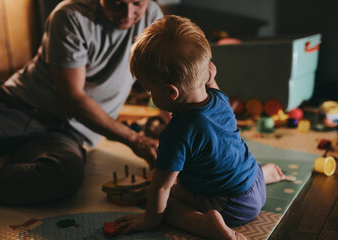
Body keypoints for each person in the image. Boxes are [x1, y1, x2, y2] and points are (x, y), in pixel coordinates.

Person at [114, 15, 286, 240]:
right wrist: (209, 78)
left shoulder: (176, 134)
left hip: (232, 207)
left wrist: (148, 221)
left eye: (149, 89)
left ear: (170, 92)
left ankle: (207, 226)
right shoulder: (219, 98)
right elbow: (210, 85)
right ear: (207, 73)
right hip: (254, 181)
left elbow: (162, 188)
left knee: (165, 203)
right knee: (225, 161)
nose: (148, 94)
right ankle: (267, 174)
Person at [0, 0, 163, 205]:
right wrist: (136, 139)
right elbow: (73, 99)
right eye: (117, 3)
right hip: (17, 106)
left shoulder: (153, 17)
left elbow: (163, 83)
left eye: (137, 3)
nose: (128, 14)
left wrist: (180, 130)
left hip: (66, 131)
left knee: (62, 177)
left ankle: (14, 158)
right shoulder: (70, 16)